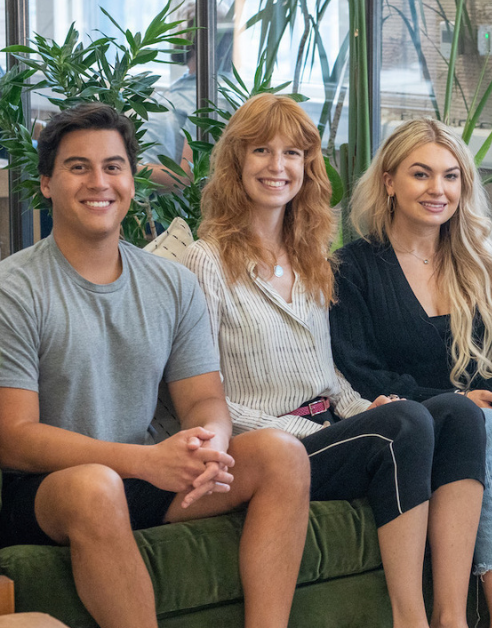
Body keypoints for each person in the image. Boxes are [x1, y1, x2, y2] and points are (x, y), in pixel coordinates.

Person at [182, 94, 487, 628]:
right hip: (269, 443)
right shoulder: (207, 262)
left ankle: (453, 617)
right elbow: (206, 396)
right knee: (406, 422)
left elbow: (329, 376)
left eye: (293, 154)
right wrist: (301, 426)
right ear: (236, 162)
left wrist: (367, 406)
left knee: (458, 414)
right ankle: (409, 620)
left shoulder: (312, 257)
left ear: (308, 167)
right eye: (261, 151)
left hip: (329, 429)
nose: (278, 166)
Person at [0, 103, 310, 628]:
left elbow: (204, 399)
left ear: (131, 180)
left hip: (138, 474)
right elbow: (13, 436)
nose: (99, 182)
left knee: (282, 454)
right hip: (43, 488)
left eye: (113, 166)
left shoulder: (171, 284)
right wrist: (143, 462)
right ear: (48, 183)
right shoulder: (16, 288)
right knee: (95, 486)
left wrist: (207, 442)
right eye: (78, 167)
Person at [330, 118, 492, 628]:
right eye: (421, 174)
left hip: (488, 412)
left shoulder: (481, 261)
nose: (437, 190)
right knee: (483, 425)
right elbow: (356, 369)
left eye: (450, 176)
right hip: (421, 423)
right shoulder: (354, 266)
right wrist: (464, 403)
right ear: (389, 181)